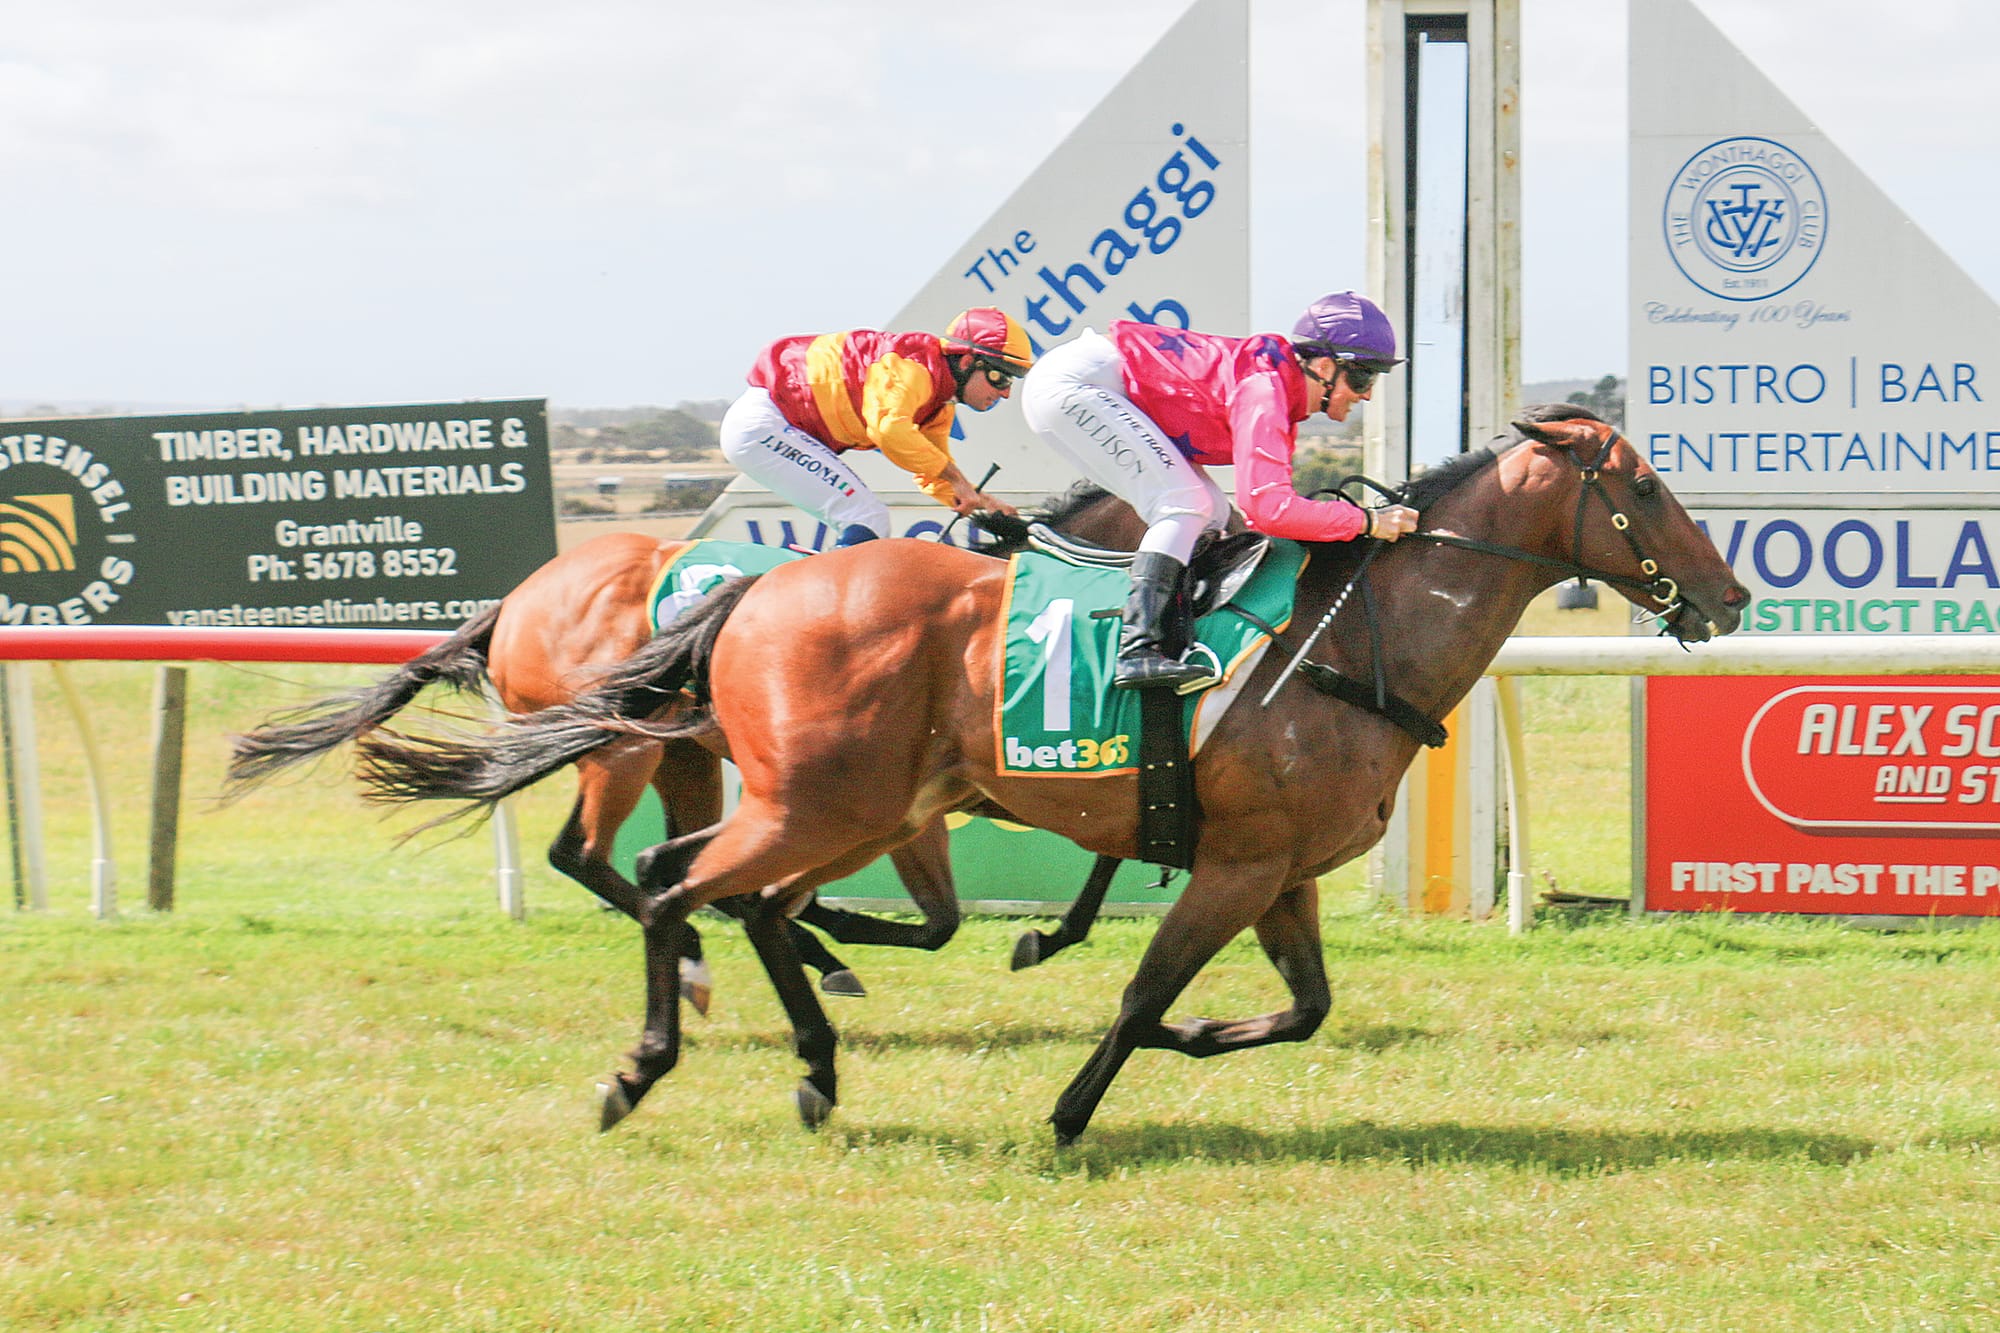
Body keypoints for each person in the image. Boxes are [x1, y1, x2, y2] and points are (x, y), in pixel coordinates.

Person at [1020, 291, 1423, 690]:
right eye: (1362, 376)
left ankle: (1172, 636)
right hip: (1074, 385)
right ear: (1323, 366)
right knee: (1184, 504)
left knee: (1210, 512)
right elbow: (1269, 511)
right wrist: (1367, 521)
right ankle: (1138, 647)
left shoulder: (1275, 389)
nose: (1367, 393)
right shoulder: (1265, 391)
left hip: (1081, 386)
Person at [718, 307, 1032, 546]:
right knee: (867, 517)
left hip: (774, 427)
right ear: (967, 362)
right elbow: (889, 430)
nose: (1005, 392)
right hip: (765, 425)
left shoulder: (938, 403)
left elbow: (930, 471)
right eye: (1000, 377)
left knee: (866, 517)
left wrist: (983, 504)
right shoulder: (914, 368)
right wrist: (957, 479)